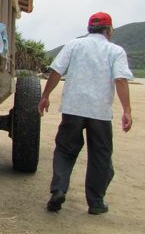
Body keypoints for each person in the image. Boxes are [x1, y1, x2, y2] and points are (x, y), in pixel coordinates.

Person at [38, 12, 133, 215]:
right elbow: (121, 80)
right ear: (108, 30)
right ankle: (96, 202)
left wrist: (45, 95)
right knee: (100, 156)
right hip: (99, 112)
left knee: (65, 150)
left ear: (90, 29)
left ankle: (59, 190)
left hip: (73, 108)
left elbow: (56, 71)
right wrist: (127, 110)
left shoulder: (74, 45)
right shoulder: (115, 50)